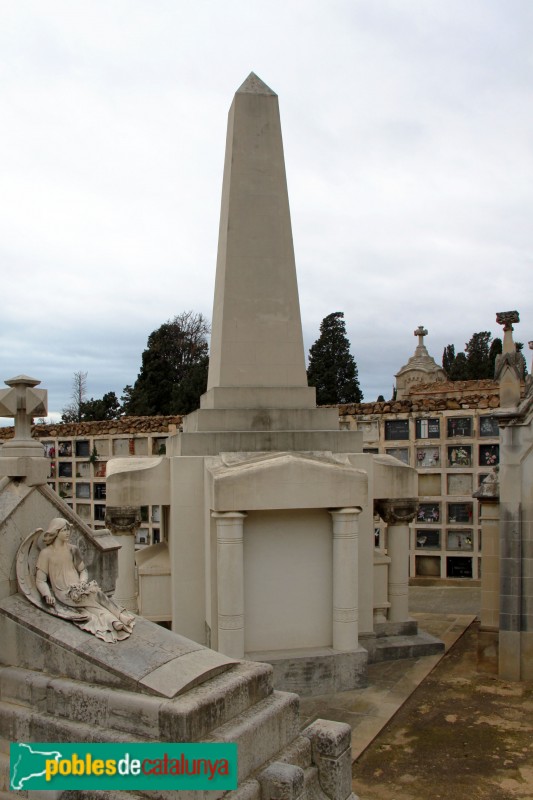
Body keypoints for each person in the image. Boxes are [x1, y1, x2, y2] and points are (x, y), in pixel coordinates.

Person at [35, 518, 135, 643]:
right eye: (64, 530)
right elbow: (40, 580)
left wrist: (82, 582)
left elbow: (83, 571)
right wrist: (47, 594)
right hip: (65, 592)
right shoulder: (46, 553)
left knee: (93, 602)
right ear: (56, 532)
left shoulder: (72, 549)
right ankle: (118, 617)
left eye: (68, 530)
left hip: (79, 587)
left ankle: (113, 621)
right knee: (95, 595)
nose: (68, 533)